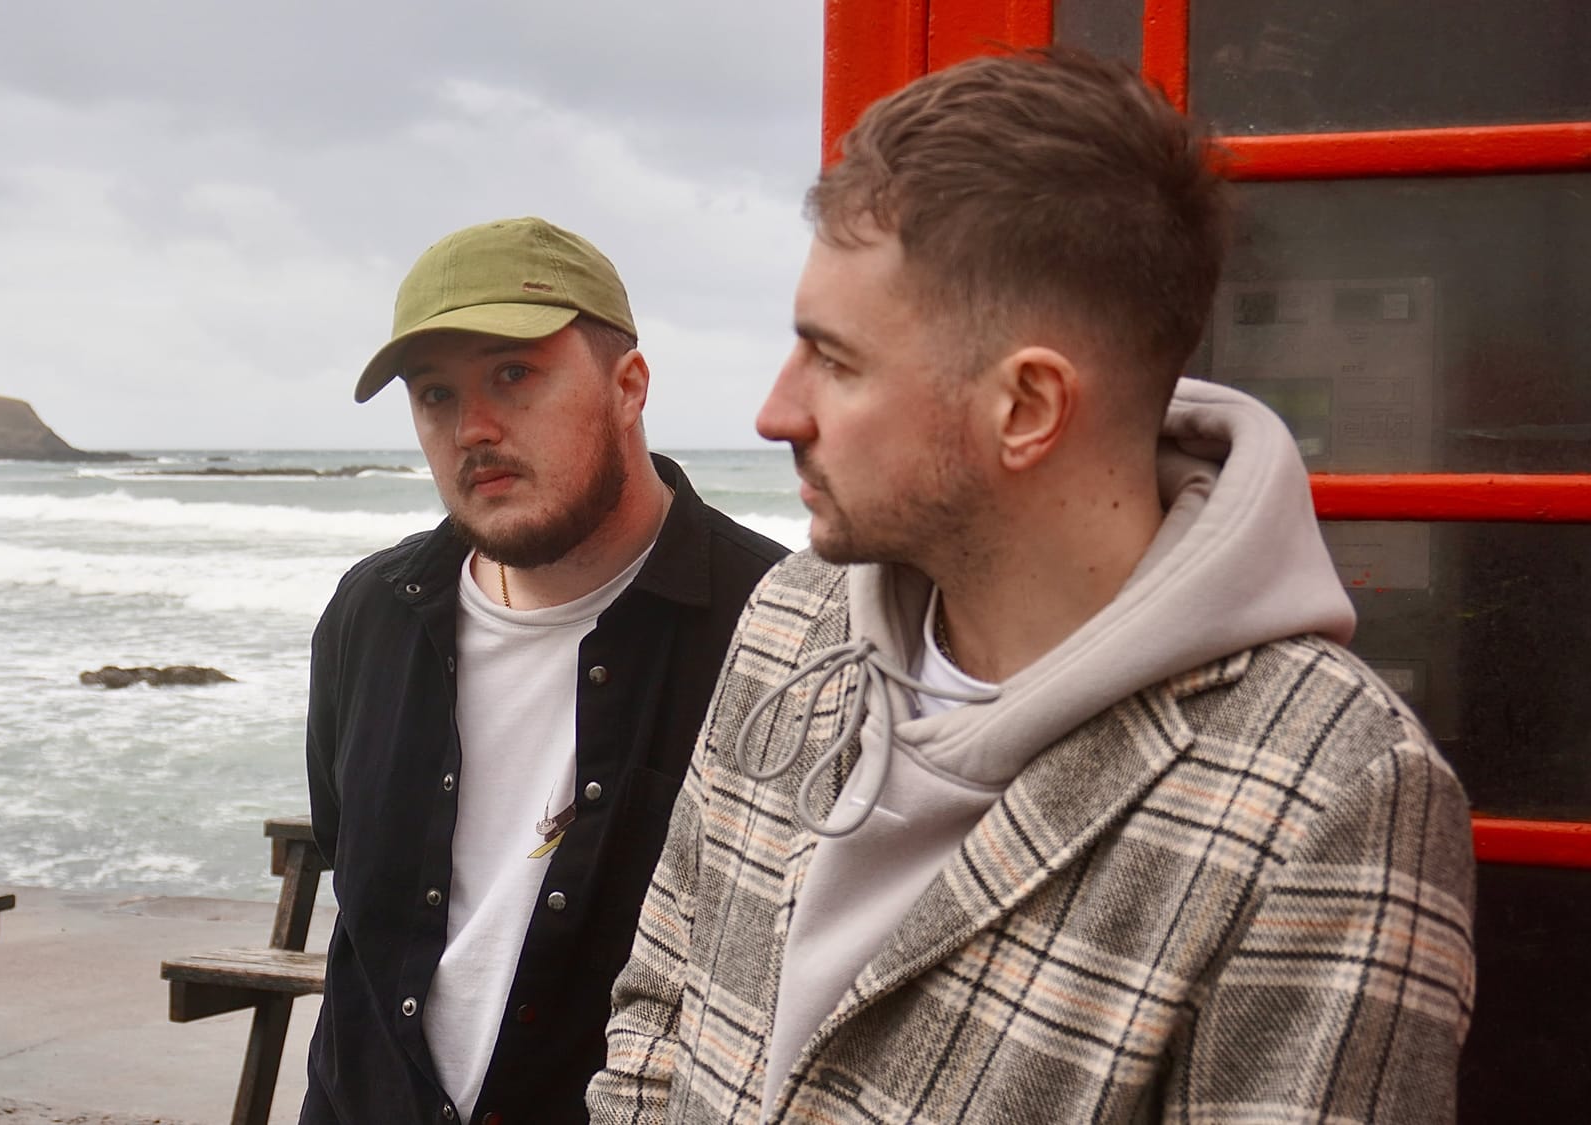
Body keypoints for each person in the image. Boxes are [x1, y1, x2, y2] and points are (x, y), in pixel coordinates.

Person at [590, 50, 1476, 1123]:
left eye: (835, 359)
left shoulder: (1331, 791)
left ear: (1024, 408)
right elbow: (657, 1008)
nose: (774, 414)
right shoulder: (788, 617)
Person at [301, 216, 787, 1124]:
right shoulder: (371, 615)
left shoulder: (774, 629)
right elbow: (356, 888)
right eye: (435, 394)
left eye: (513, 374)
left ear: (629, 385)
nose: (472, 428)